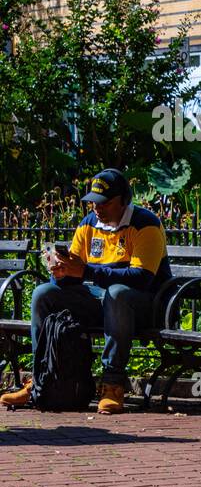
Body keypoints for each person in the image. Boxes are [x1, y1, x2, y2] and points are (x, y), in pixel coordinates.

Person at [3, 169, 171, 415]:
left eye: (104, 202)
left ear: (124, 200)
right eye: (93, 202)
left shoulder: (146, 224)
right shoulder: (88, 225)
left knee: (117, 293)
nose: (97, 208)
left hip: (142, 306)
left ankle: (113, 383)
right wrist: (60, 273)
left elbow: (142, 279)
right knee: (43, 293)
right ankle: (41, 380)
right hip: (98, 302)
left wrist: (86, 272)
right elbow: (77, 272)